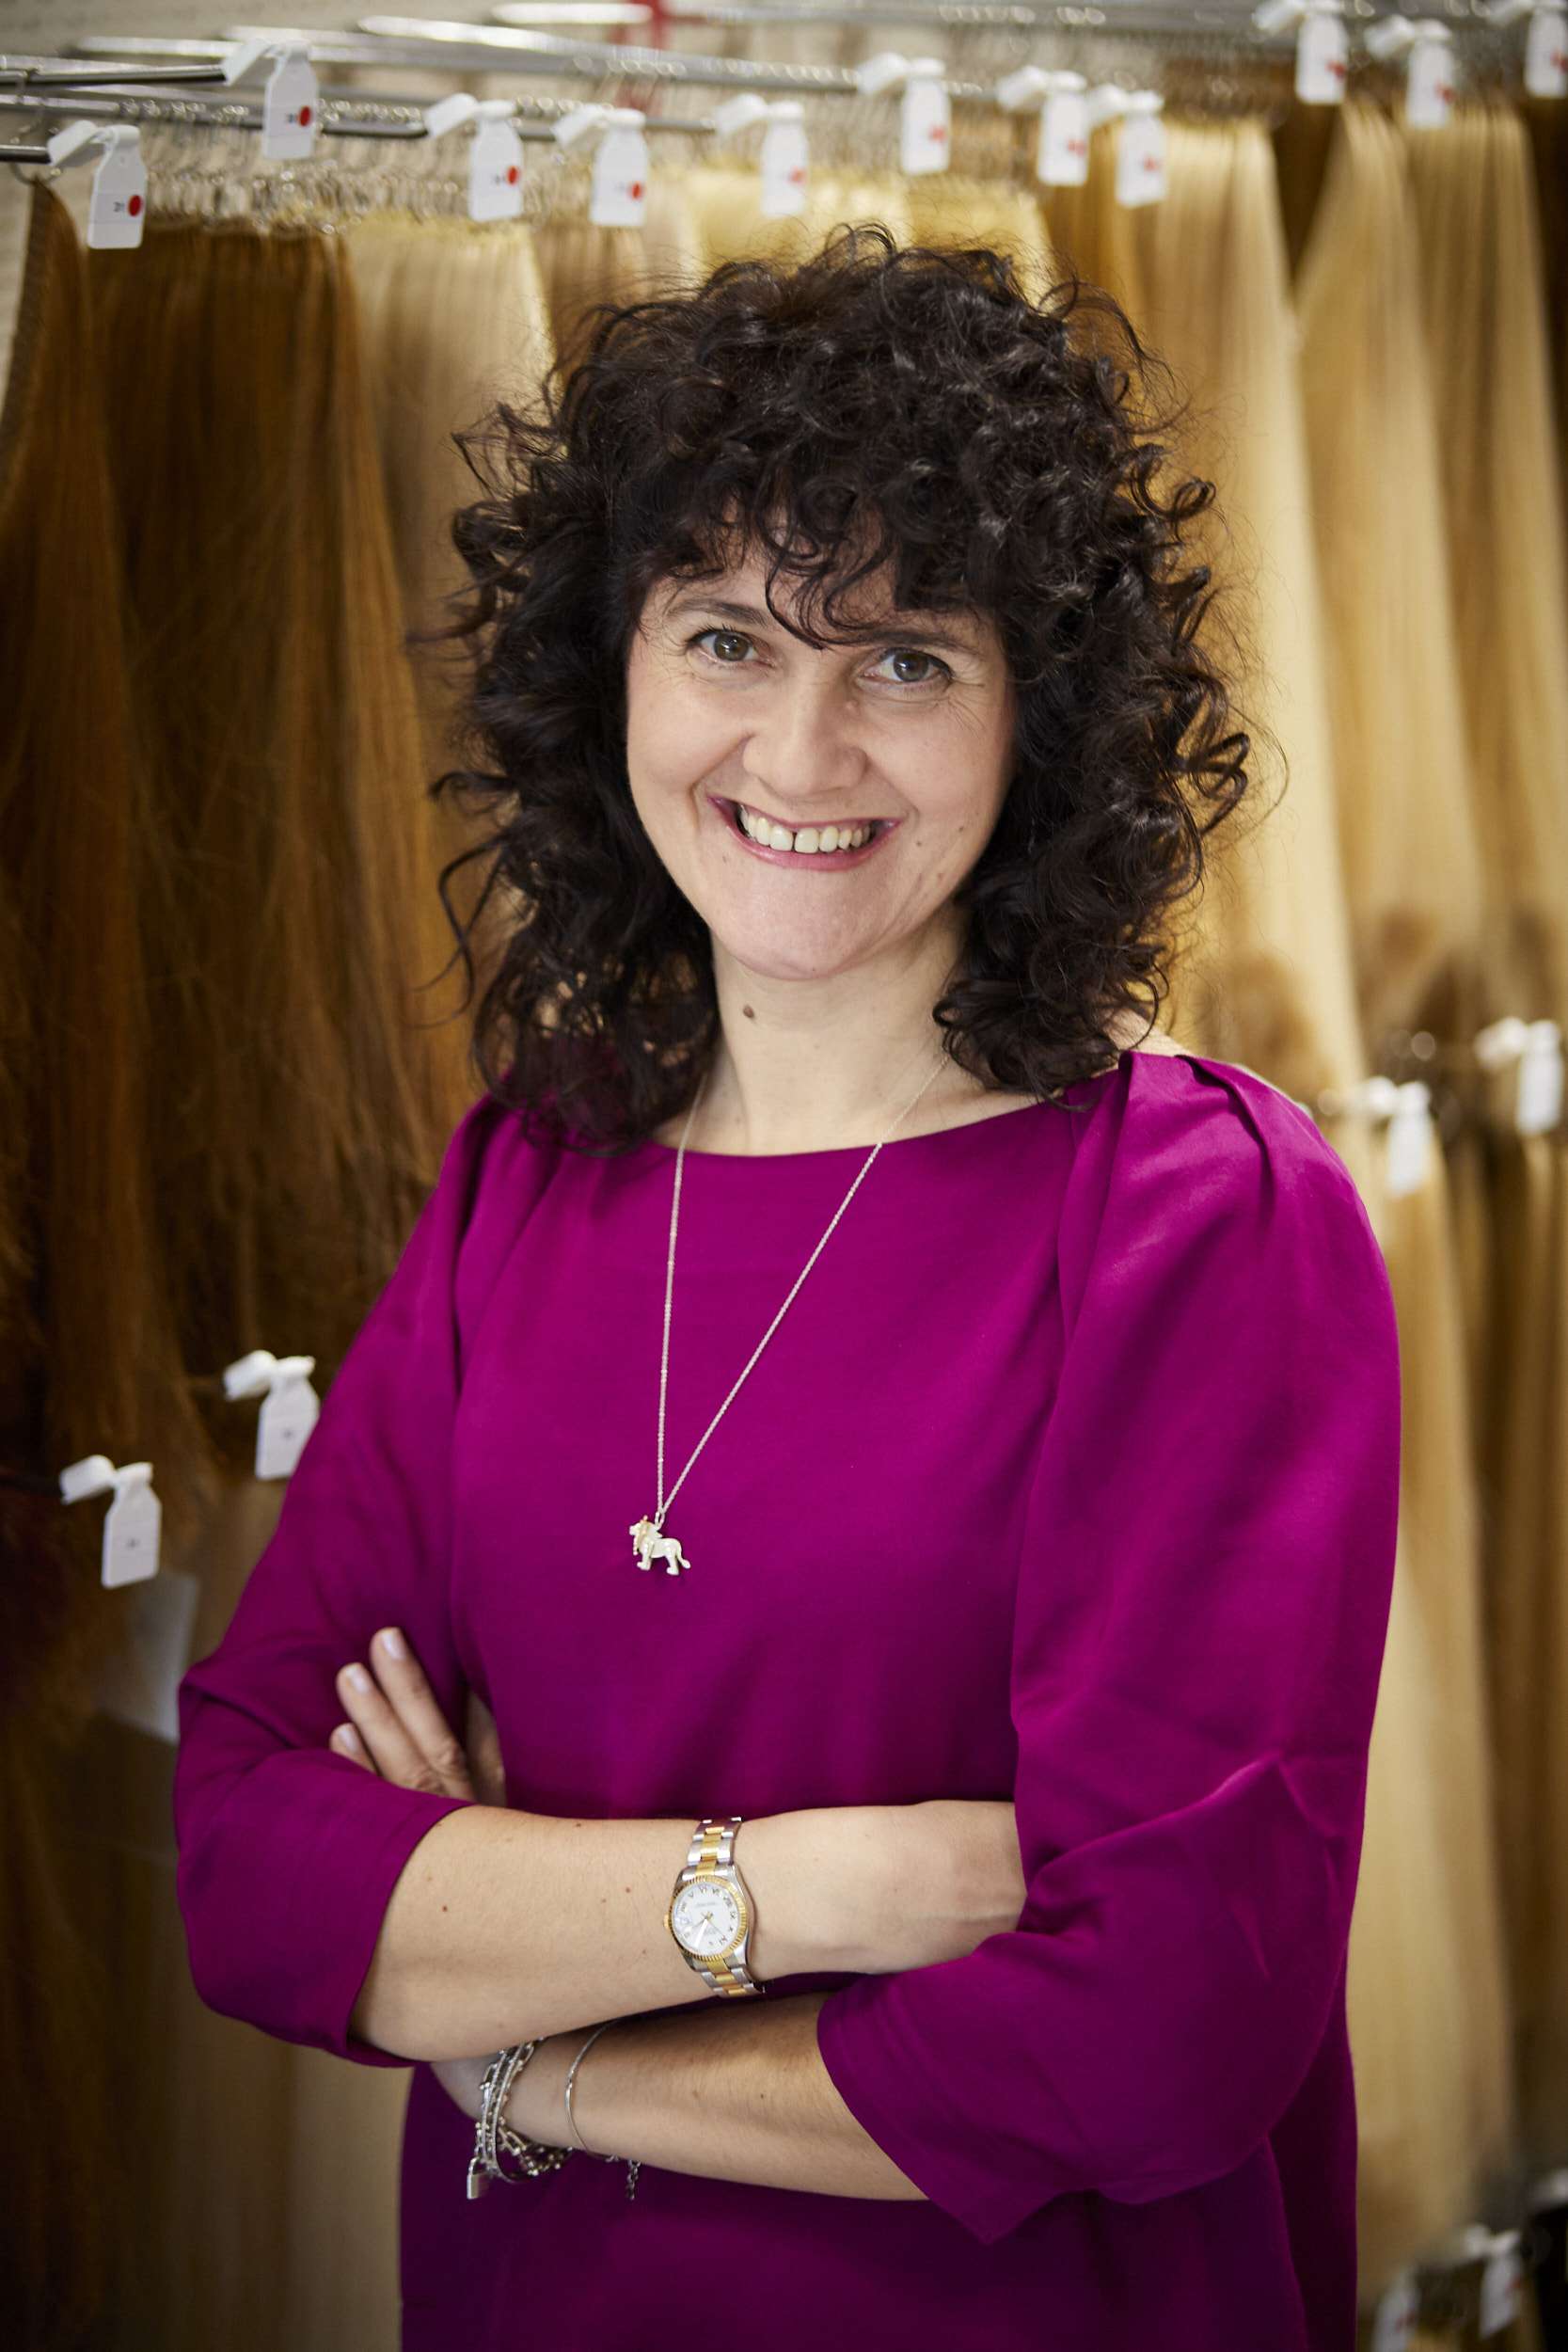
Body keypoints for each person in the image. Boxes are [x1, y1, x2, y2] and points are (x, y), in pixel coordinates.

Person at [172, 228, 1402, 2352]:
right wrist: (817, 1886)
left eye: (905, 660)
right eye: (728, 638)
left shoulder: (1199, 1216)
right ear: (613, 675)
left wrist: (535, 2051)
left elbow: (1160, 2031)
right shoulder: (523, 1184)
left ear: (1042, 723)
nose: (803, 749)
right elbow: (249, 1859)